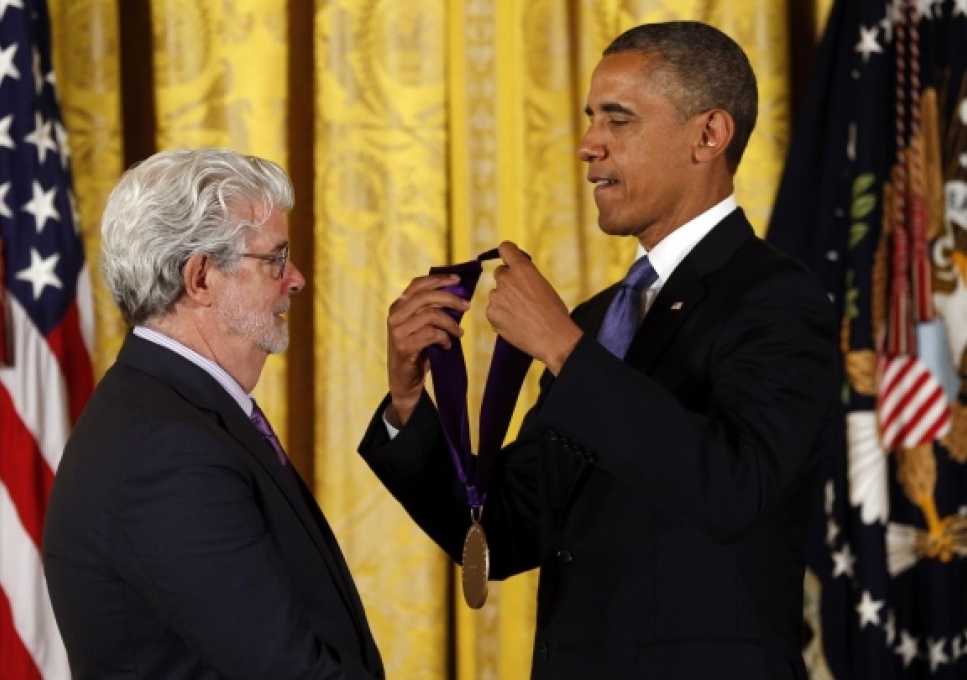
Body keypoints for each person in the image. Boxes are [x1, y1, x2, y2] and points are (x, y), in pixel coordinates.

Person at [358, 21, 838, 680]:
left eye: (619, 120)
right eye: (591, 120)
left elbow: (734, 490)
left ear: (709, 134)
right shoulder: (597, 317)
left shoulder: (778, 298)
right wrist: (410, 400)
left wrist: (562, 348)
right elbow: (506, 531)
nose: (588, 145)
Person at [43, 148, 384, 679]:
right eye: (275, 258)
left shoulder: (172, 414)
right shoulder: (166, 452)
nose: (295, 278)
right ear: (200, 278)